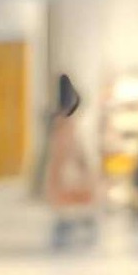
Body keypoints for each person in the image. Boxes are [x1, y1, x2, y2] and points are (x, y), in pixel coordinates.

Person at [44, 74, 98, 248]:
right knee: (73, 206)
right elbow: (72, 152)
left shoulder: (60, 122)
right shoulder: (68, 124)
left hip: (64, 171)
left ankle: (67, 234)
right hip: (68, 171)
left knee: (68, 209)